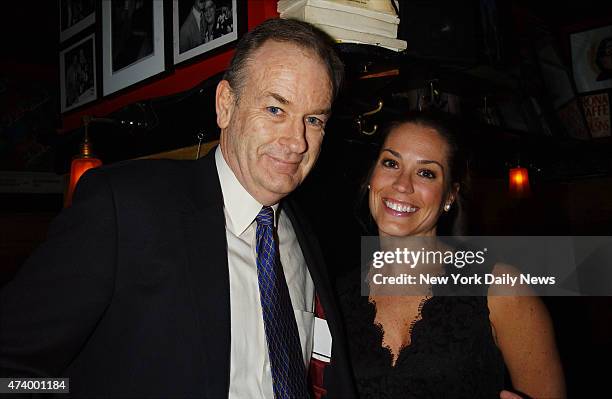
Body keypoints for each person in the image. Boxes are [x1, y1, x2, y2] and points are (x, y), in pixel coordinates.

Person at [0, 18, 355, 398]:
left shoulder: (304, 233)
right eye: (274, 109)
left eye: (314, 119)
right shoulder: (125, 210)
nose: (297, 141)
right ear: (226, 105)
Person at [336, 111, 566, 398]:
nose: (402, 184)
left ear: (449, 196)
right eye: (391, 163)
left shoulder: (500, 288)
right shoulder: (336, 297)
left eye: (426, 173)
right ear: (372, 177)